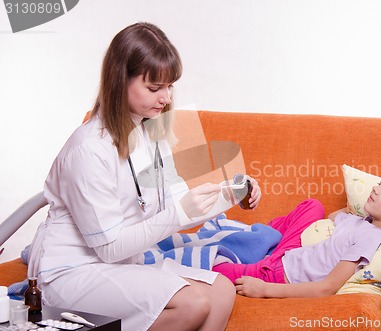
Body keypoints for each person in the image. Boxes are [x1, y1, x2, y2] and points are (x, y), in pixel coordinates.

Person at [27, 22, 261, 331]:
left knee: (221, 291)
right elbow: (109, 247)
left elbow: (176, 202)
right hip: (71, 272)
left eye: (169, 87)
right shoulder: (88, 149)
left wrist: (230, 195)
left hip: (121, 266)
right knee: (193, 302)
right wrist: (179, 212)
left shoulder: (151, 132)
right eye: (154, 88)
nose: (165, 98)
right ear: (119, 80)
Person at [212, 157, 381, 298]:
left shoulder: (370, 240)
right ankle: (265, 241)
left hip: (276, 275)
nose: (375, 189)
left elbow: (327, 288)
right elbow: (333, 216)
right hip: (288, 253)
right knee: (313, 206)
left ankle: (260, 248)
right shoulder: (364, 220)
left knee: (210, 270)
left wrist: (265, 289)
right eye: (379, 183)